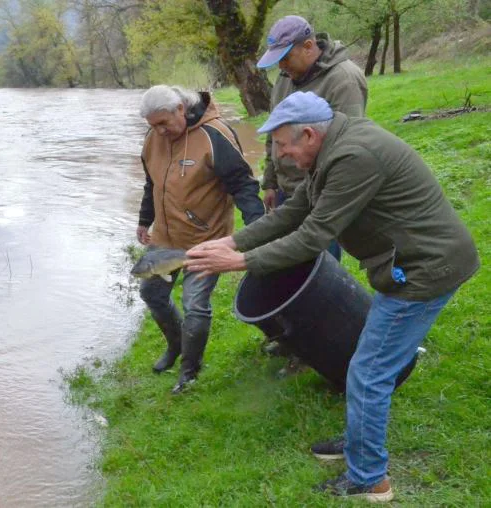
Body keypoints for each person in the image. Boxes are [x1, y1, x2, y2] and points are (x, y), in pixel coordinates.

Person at [183, 91, 479, 502]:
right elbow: (292, 212)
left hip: (426, 270)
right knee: (368, 366)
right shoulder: (330, 149)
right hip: (413, 263)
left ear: (308, 134)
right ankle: (362, 440)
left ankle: (370, 479)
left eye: (284, 146)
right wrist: (231, 241)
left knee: (368, 372)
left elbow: (312, 237)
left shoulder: (353, 157)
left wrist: (240, 262)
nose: (282, 156)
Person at [136, 85, 264, 394]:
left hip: (206, 239)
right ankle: (177, 346)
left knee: (195, 303)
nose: (159, 131)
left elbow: (244, 186)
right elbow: (151, 183)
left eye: (163, 123)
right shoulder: (155, 137)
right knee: (151, 293)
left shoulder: (215, 135)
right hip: (165, 238)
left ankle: (189, 371)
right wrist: (144, 221)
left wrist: (258, 230)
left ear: (181, 109)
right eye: (152, 126)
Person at [257, 15, 367, 261]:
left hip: (319, 194)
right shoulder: (285, 79)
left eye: (285, 58)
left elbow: (348, 145)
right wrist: (271, 182)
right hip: (287, 191)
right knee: (285, 263)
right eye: (278, 61)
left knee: (319, 268)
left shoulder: (344, 79)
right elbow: (274, 134)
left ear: (308, 46)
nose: (281, 67)